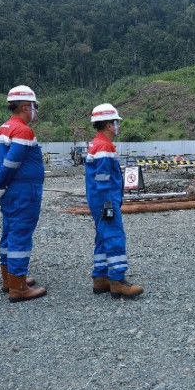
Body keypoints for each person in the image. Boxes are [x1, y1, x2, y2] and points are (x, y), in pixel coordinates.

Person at [0, 85, 46, 303]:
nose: (36, 112)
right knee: (20, 235)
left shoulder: (1, 130)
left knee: (9, 232)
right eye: (34, 107)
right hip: (23, 191)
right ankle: (18, 287)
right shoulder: (22, 131)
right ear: (26, 107)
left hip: (10, 191)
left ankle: (9, 279)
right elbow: (12, 163)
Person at [85, 103, 143, 299]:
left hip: (100, 200)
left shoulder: (98, 143)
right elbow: (103, 181)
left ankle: (100, 278)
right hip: (105, 201)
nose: (118, 126)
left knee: (102, 237)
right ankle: (118, 281)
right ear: (109, 125)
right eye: (116, 123)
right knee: (114, 236)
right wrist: (110, 204)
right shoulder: (104, 146)